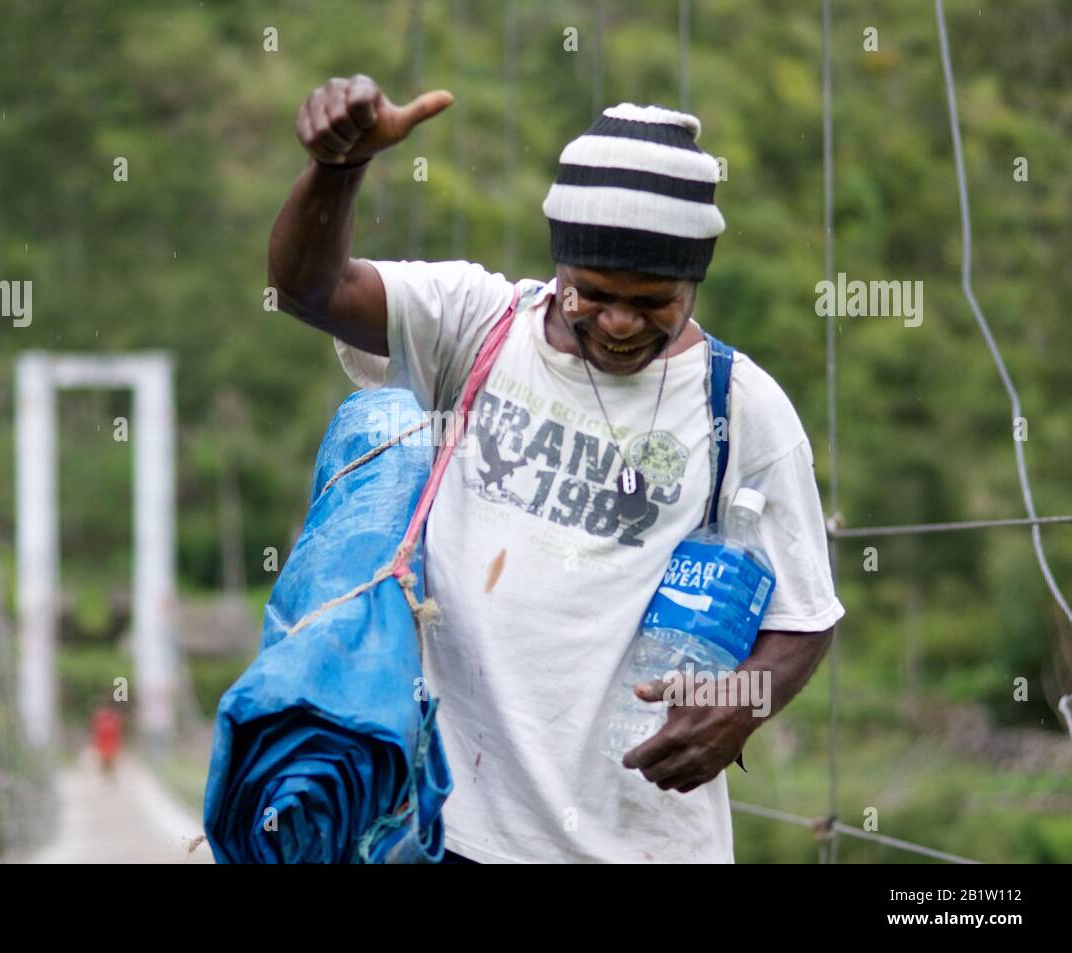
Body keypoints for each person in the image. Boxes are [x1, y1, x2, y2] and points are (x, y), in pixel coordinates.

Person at [268, 74, 843, 863]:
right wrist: (337, 171)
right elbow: (309, 288)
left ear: (693, 282)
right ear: (560, 265)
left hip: (640, 840)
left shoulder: (741, 407)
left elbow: (805, 617)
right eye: (595, 293)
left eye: (653, 303)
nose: (617, 322)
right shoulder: (475, 325)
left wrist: (740, 705)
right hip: (452, 831)